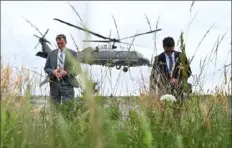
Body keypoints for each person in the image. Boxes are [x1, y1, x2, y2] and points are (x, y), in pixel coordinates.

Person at [44, 34, 79, 104]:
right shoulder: (51, 53)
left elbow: (78, 70)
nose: (60, 45)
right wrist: (53, 71)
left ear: (66, 42)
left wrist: (66, 72)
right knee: (54, 109)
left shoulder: (73, 53)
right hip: (54, 84)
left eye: (62, 43)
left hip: (68, 83)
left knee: (68, 108)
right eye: (58, 43)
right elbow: (46, 68)